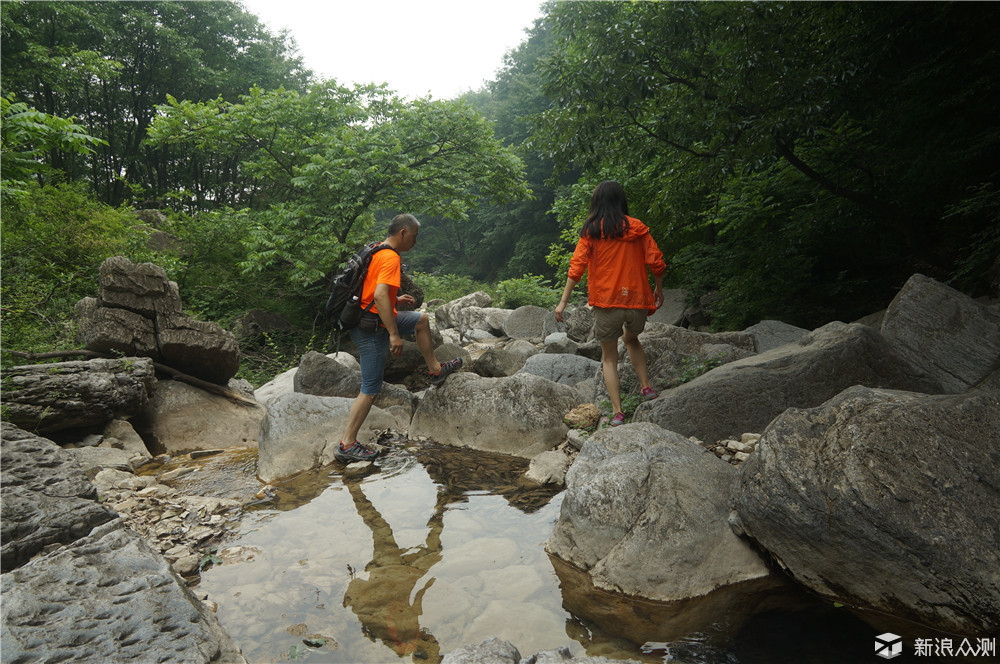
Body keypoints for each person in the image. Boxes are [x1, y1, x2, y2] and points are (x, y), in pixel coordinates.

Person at [336, 214, 462, 462]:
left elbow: (372, 290)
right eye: (414, 236)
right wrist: (394, 334)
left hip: (371, 317)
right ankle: (347, 444)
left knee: (421, 320)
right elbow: (380, 296)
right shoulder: (390, 257)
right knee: (371, 389)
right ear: (403, 233)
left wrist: (396, 300)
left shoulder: (376, 250)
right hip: (371, 328)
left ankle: (435, 370)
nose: (415, 242)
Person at [554, 180, 666, 426]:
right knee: (632, 338)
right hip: (636, 301)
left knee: (609, 358)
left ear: (596, 203)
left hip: (606, 303)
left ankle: (617, 412)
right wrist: (658, 287)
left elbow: (576, 269)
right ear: (621, 201)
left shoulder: (591, 232)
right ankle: (646, 387)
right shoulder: (637, 228)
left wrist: (562, 303)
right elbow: (656, 260)